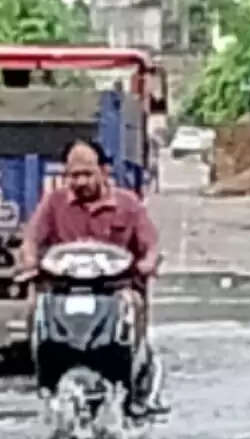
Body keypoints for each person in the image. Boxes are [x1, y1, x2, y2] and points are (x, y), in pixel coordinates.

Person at [17, 139, 162, 408]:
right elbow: (32, 239)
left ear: (104, 172)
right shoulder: (54, 203)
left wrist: (148, 263)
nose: (81, 181)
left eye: (87, 174)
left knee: (135, 304)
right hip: (63, 289)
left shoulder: (128, 204)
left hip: (117, 288)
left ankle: (137, 375)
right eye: (74, 175)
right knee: (35, 306)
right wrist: (29, 261)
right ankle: (43, 374)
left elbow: (150, 243)